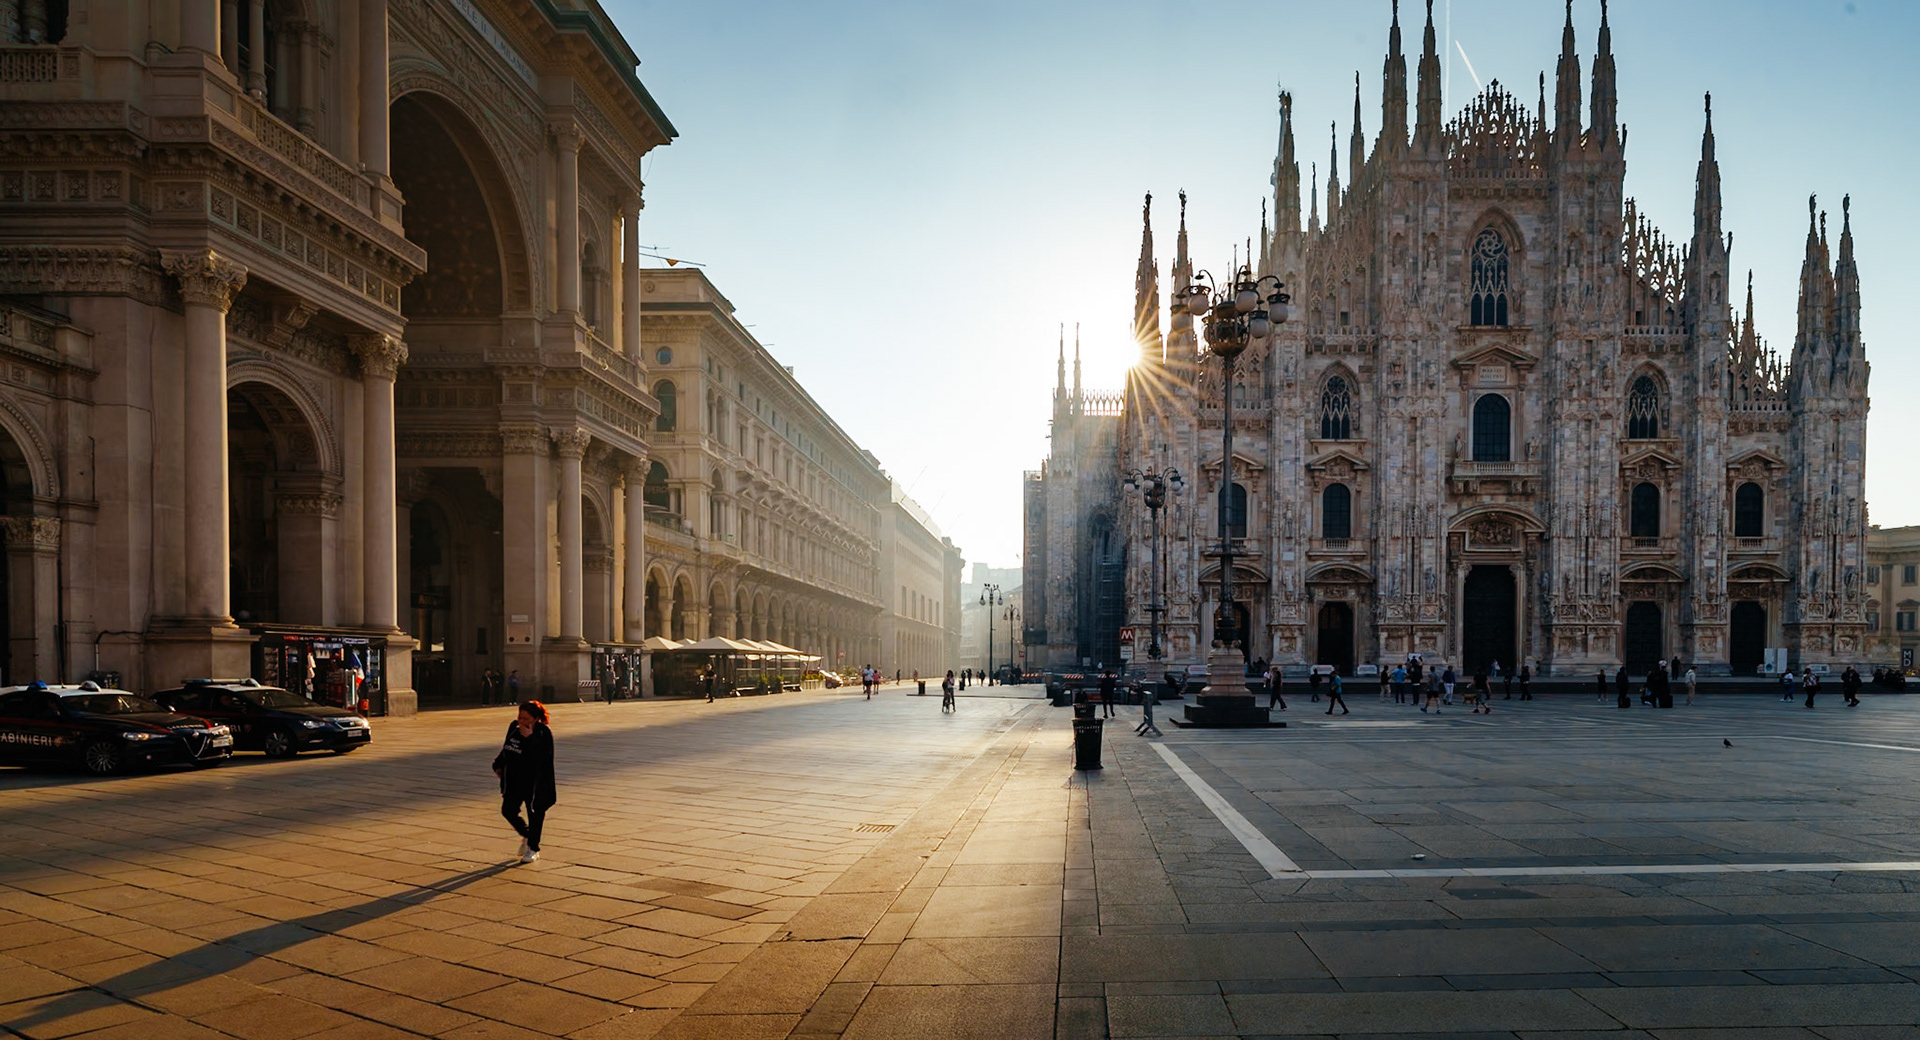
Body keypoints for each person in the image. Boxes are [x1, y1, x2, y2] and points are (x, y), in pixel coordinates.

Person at [492, 700, 557, 864]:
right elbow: (507, 747)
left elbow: (544, 758)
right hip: (514, 780)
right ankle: (527, 835)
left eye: (526, 719)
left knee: (535, 814)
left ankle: (533, 848)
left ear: (535, 718)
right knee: (508, 810)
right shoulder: (514, 727)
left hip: (535, 782)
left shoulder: (543, 733)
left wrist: (530, 738)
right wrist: (498, 764)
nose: (521, 722)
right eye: (520, 717)